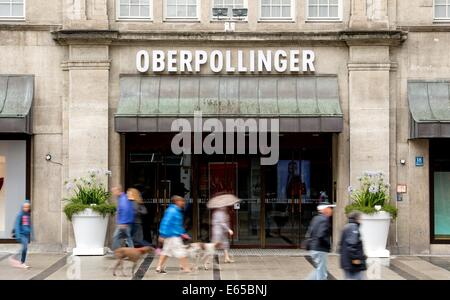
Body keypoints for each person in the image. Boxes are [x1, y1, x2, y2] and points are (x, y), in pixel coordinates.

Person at [155, 195, 191, 274]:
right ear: (176, 202)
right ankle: (186, 268)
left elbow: (177, 225)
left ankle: (159, 267)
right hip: (172, 235)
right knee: (181, 251)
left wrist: (183, 233)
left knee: (166, 252)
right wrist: (162, 234)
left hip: (172, 235)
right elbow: (165, 223)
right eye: (181, 201)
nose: (183, 202)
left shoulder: (175, 210)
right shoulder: (172, 211)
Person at [305, 202, 335, 280]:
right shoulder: (324, 220)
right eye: (330, 208)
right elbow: (321, 235)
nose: (331, 210)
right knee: (322, 273)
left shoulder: (316, 218)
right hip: (320, 249)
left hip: (314, 248)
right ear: (325, 209)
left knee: (319, 270)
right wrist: (328, 245)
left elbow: (310, 231)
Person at [339, 212, 367, 280]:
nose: (362, 221)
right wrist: (356, 259)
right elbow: (352, 245)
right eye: (361, 218)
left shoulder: (347, 226)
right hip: (352, 264)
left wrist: (362, 256)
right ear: (357, 219)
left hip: (348, 262)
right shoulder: (353, 228)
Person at [9, 201, 33, 269]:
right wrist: (18, 235)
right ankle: (21, 261)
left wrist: (32, 235)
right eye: (25, 207)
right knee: (25, 248)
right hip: (21, 234)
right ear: (22, 207)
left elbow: (30, 226)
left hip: (26, 235)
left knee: (25, 249)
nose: (26, 208)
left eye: (28, 207)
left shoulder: (28, 215)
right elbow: (17, 225)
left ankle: (19, 260)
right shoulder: (20, 215)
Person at [111, 186, 135, 250]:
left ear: (118, 191)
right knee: (128, 238)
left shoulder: (123, 199)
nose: (113, 193)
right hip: (126, 222)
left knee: (116, 237)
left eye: (114, 191)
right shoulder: (123, 198)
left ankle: (117, 251)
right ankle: (131, 252)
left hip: (124, 223)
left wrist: (123, 223)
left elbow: (125, 210)